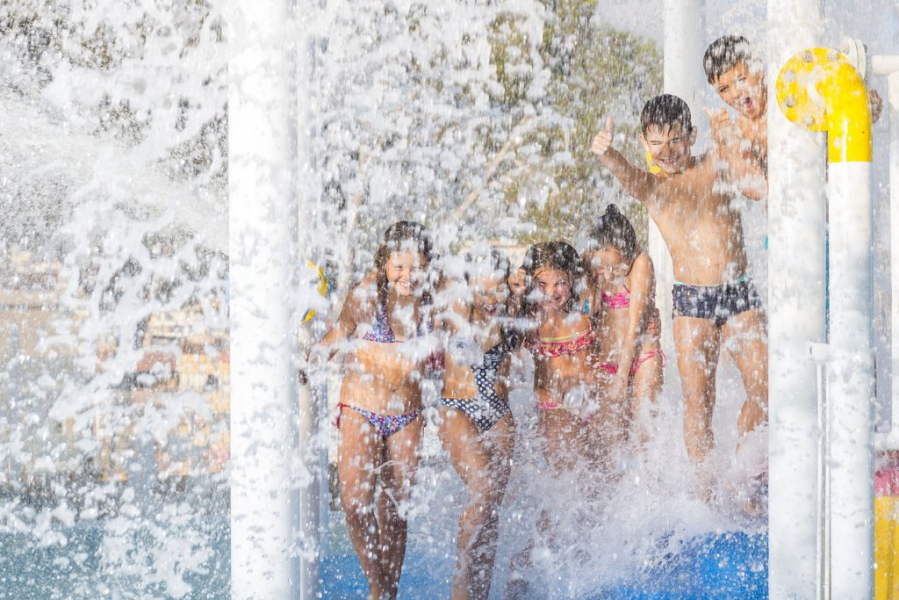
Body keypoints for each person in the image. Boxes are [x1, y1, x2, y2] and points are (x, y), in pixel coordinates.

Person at [590, 95, 768, 506]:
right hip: (692, 304)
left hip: (738, 292)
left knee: (765, 389)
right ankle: (707, 499)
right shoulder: (653, 188)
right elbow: (627, 175)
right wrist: (607, 154)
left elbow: (754, 181)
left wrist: (725, 130)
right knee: (698, 402)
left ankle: (742, 472)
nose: (666, 152)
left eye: (675, 141)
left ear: (690, 137)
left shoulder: (713, 163)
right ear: (644, 143)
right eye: (656, 143)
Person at [302, 221, 436, 600]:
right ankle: (378, 585)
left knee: (395, 509)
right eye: (399, 266)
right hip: (362, 404)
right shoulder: (367, 293)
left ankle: (387, 593)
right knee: (356, 504)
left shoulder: (434, 299)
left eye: (417, 266)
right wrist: (310, 360)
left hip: (407, 414)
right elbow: (339, 334)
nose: (408, 275)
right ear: (385, 262)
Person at [505, 241, 603, 598]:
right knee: (568, 489)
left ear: (572, 280)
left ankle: (583, 564)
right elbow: (509, 337)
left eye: (559, 283)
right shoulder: (532, 317)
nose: (551, 293)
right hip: (554, 411)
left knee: (593, 490)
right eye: (542, 284)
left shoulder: (589, 306)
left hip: (591, 409)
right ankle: (525, 561)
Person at [702, 34, 883, 200]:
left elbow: (856, 113)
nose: (735, 93)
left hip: (833, 209)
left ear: (758, 68)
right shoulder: (740, 132)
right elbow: (758, 190)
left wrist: (862, 104)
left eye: (740, 79)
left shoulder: (793, 93)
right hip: (784, 227)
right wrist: (725, 144)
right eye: (724, 90)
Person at [438, 246, 517, 600]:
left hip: (498, 412)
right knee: (483, 488)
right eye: (482, 290)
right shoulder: (457, 306)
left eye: (497, 289)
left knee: (492, 509)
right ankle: (461, 580)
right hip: (458, 408)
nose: (491, 299)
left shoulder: (514, 310)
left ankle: (480, 593)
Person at [582, 204, 664, 459]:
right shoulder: (591, 261)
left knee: (642, 438)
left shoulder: (641, 264)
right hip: (608, 362)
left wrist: (621, 378)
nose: (608, 274)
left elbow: (634, 328)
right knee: (612, 446)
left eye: (617, 268)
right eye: (602, 267)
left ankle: (649, 494)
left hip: (641, 360)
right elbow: (585, 309)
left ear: (629, 252)